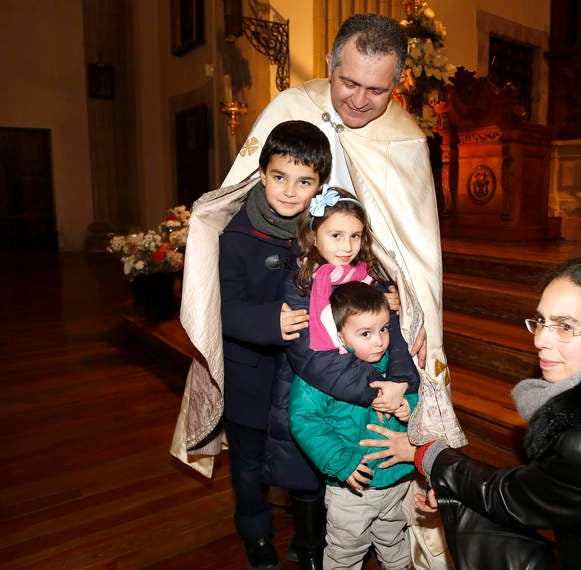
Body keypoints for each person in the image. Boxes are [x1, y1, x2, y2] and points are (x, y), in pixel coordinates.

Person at [172, 13, 464, 570]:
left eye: (376, 89)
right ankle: (272, 539)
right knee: (261, 456)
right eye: (347, 81)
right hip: (266, 358)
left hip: (347, 340)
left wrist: (404, 302)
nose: (357, 99)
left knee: (319, 450)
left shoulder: (404, 139)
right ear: (329, 63)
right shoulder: (290, 112)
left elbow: (404, 245)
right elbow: (239, 207)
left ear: (398, 82)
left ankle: (329, 539)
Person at [370, 255, 581, 569]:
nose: (540, 340)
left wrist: (425, 453)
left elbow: (507, 495)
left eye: (565, 326)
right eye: (540, 320)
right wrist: (452, 490)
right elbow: (543, 486)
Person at [289, 281, 419, 570]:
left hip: (396, 480)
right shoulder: (321, 378)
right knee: (345, 549)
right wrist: (340, 460)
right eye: (365, 333)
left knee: (394, 539)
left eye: (384, 329)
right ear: (339, 335)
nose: (379, 341)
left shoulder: (395, 365)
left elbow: (418, 394)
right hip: (351, 489)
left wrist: (410, 406)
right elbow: (305, 420)